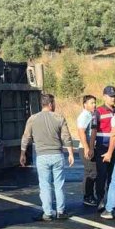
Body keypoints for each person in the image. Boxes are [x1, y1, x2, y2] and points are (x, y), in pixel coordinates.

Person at [20, 93, 74, 221]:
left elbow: (26, 137)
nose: (55, 105)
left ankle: (47, 213)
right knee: (59, 185)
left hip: (42, 156)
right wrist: (71, 153)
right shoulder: (59, 117)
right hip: (57, 155)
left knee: (45, 186)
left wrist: (22, 154)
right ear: (50, 104)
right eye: (54, 103)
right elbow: (66, 137)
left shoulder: (32, 119)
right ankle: (61, 211)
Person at [94, 86, 115, 208]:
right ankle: (100, 199)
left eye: (114, 95)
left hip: (114, 148)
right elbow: (94, 130)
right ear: (104, 97)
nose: (113, 98)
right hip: (101, 147)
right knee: (102, 175)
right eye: (110, 96)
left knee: (113, 176)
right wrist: (89, 147)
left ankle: (110, 200)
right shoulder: (98, 111)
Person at [76, 95, 98, 206]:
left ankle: (89, 195)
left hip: (90, 147)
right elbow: (81, 132)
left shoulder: (91, 115)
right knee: (92, 172)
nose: (94, 105)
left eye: (94, 102)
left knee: (89, 172)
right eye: (91, 103)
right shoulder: (84, 115)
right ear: (85, 104)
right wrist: (87, 148)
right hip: (86, 148)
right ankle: (87, 196)